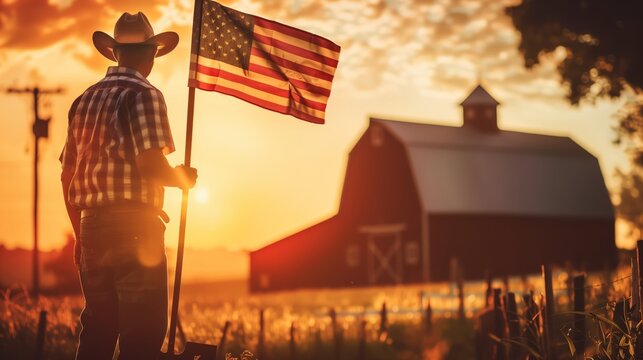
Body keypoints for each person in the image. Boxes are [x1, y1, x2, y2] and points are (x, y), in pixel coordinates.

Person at [59, 12, 197, 360]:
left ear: (116, 53)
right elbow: (150, 165)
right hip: (135, 227)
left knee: (98, 330)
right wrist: (181, 178)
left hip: (91, 227)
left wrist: (79, 235)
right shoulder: (145, 94)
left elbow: (67, 175)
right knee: (142, 332)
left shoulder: (83, 100)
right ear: (151, 54)